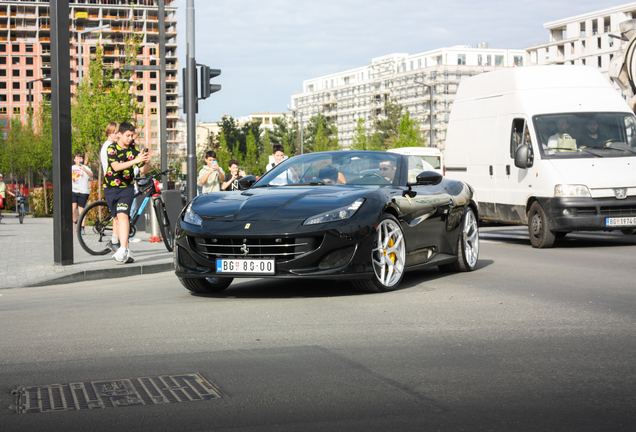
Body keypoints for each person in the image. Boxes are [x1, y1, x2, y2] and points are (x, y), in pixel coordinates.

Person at [104, 122, 150, 263]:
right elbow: (116, 167)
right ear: (119, 134)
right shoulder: (112, 148)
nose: (130, 138)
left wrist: (146, 161)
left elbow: (143, 171)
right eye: (127, 135)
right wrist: (135, 160)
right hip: (110, 188)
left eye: (132, 135)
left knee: (123, 215)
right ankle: (127, 252)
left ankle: (122, 248)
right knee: (117, 219)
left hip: (127, 188)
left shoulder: (134, 151)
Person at [100, 122, 121, 251]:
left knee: (117, 215)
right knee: (118, 215)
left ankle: (115, 239)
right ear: (109, 133)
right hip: (113, 183)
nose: (117, 135)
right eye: (114, 132)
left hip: (113, 182)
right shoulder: (109, 147)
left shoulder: (109, 145)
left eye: (118, 132)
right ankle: (114, 240)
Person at [71, 152, 93, 234]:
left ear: (82, 159)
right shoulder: (72, 168)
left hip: (83, 191)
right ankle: (76, 223)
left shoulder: (85, 168)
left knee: (81, 210)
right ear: (74, 160)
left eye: (80, 158)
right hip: (73, 190)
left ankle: (82, 227)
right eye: (77, 158)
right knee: (72, 208)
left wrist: (85, 170)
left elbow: (91, 175)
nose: (79, 160)